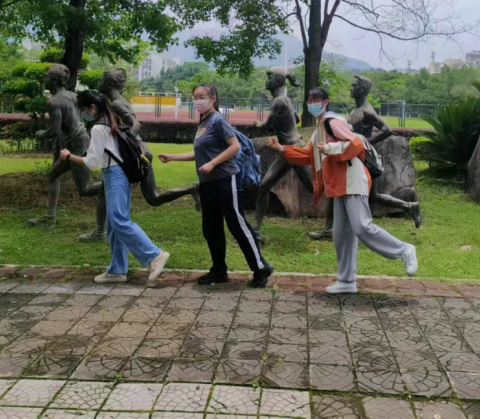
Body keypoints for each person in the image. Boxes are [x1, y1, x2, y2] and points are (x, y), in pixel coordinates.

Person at [267, 87, 418, 295]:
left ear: (326, 102)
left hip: (352, 180)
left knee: (362, 226)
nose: (312, 104)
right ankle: (346, 280)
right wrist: (281, 149)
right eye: (309, 100)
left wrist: (330, 149)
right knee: (342, 235)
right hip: (340, 185)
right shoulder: (320, 128)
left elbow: (356, 143)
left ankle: (404, 250)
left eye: (316, 100)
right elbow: (309, 156)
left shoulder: (332, 122)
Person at [159, 84, 273, 288]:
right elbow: (200, 153)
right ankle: (219, 269)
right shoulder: (203, 122)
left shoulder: (218, 120)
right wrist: (172, 157)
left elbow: (234, 146)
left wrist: (212, 164)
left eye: (202, 97)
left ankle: (260, 267)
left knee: (237, 224)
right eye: (195, 97)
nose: (198, 101)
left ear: (213, 98)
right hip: (208, 182)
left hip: (226, 179)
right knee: (211, 228)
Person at [61, 90, 170, 285]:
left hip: (114, 175)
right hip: (119, 174)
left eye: (84, 110)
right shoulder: (111, 122)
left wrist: (69, 156)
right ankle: (117, 270)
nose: (84, 114)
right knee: (114, 224)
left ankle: (154, 255)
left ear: (92, 107)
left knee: (119, 220)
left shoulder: (98, 128)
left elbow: (92, 162)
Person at [79, 68, 200, 243]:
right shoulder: (116, 102)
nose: (100, 84)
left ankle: (100, 232)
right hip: (139, 153)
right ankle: (191, 188)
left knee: (136, 196)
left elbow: (135, 124)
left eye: (102, 81)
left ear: (110, 84)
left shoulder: (116, 104)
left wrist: (126, 147)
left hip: (135, 154)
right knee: (148, 198)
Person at [309, 75, 422, 241]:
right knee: (367, 196)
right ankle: (409, 206)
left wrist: (365, 143)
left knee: (352, 194)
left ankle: (331, 229)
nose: (351, 88)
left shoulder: (367, 111)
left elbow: (386, 130)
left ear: (362, 89)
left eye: (354, 86)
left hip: (363, 159)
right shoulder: (356, 110)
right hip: (354, 156)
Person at [28, 64, 101, 227]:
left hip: (78, 146)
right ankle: (50, 217)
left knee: (84, 189)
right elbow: (84, 117)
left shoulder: (54, 102)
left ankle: (116, 186)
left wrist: (42, 134)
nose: (44, 79)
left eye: (47, 77)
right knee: (52, 176)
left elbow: (55, 130)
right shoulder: (74, 96)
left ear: (54, 80)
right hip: (77, 143)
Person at [253, 68, 314, 236]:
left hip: (295, 149)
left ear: (278, 81)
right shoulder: (285, 99)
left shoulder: (278, 101)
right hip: (286, 150)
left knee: (316, 189)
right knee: (264, 186)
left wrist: (258, 123)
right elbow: (296, 119)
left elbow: (267, 126)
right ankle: (256, 229)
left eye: (270, 77)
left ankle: (338, 221)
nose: (267, 80)